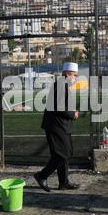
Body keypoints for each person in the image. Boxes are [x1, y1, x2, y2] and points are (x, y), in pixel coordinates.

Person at [34, 62, 80, 192]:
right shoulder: (61, 85)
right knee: (61, 154)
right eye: (74, 75)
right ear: (67, 74)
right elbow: (60, 108)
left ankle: (63, 182)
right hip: (56, 126)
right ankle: (41, 176)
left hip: (62, 126)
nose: (75, 78)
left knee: (66, 153)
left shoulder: (63, 85)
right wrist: (73, 113)